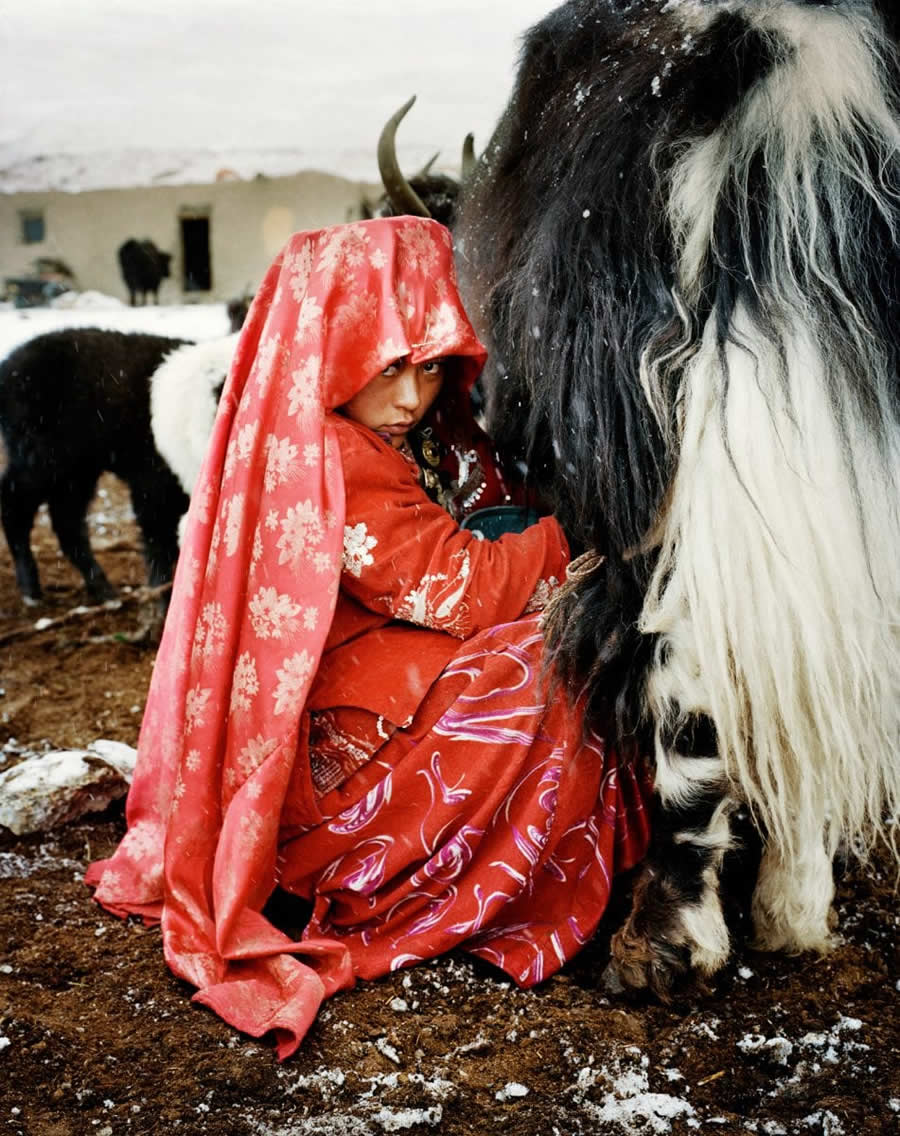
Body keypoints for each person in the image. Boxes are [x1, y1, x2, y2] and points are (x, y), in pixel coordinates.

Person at [87, 216, 651, 1059]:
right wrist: (571, 534)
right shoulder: (333, 456)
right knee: (545, 665)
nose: (413, 397)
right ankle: (425, 881)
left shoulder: (348, 433)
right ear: (334, 345)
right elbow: (461, 585)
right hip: (344, 785)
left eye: (432, 368)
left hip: (360, 714)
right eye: (391, 367)